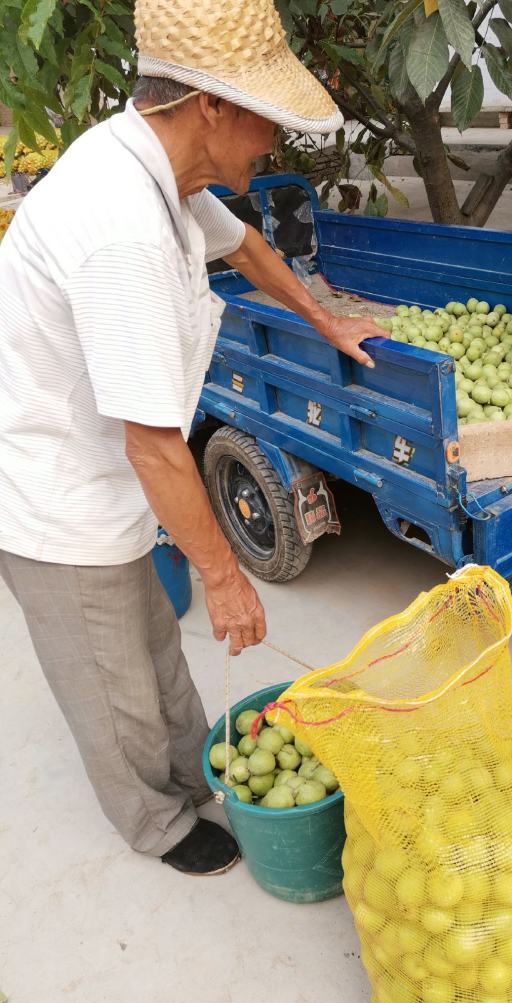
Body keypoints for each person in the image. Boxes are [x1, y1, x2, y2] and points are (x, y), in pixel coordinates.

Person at [0, 0, 387, 874]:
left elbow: (246, 246)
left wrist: (325, 322)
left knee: (153, 647)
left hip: (109, 475)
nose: (273, 145)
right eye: (267, 122)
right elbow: (152, 448)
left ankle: (191, 773)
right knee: (113, 687)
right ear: (210, 105)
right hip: (54, 495)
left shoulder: (159, 169)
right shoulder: (122, 228)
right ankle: (157, 823)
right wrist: (226, 578)